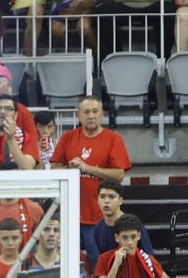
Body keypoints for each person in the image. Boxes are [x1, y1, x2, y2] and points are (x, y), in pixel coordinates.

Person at [51, 96, 130, 261]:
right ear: (79, 116)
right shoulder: (67, 138)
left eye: (95, 111)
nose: (91, 116)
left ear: (102, 115)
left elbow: (119, 175)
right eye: (86, 112)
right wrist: (70, 170)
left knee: (98, 264)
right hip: (69, 215)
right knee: (66, 263)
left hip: (99, 218)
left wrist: (88, 168)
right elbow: (54, 170)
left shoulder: (113, 139)